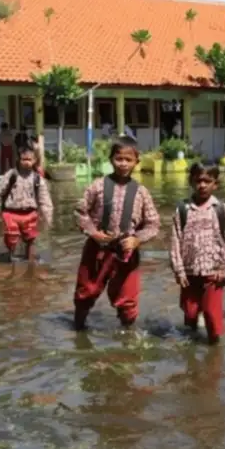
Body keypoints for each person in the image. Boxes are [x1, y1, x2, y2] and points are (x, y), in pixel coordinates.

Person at [73, 135, 161, 331]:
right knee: (86, 292)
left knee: (127, 299)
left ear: (136, 162)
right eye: (119, 158)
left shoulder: (141, 192)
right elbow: (80, 212)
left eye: (128, 159)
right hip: (97, 249)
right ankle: (78, 329)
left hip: (126, 253)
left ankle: (127, 337)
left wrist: (137, 239)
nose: (123, 164)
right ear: (111, 159)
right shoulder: (97, 186)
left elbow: (153, 224)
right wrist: (93, 232)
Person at [170, 163, 225, 344]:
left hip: (214, 272)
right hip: (189, 272)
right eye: (198, 181)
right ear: (191, 182)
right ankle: (192, 349)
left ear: (215, 184)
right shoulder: (183, 209)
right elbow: (175, 239)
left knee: (212, 316)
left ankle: (214, 351)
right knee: (190, 313)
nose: (202, 185)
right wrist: (178, 270)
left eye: (207, 181)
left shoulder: (220, 209)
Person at [0, 145, 53, 263]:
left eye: (29, 160)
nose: (27, 162)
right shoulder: (11, 175)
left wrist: (47, 218)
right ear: (19, 159)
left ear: (34, 160)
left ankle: (30, 262)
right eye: (24, 159)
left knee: (31, 238)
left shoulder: (37, 179)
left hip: (30, 213)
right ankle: (8, 261)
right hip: (11, 212)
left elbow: (45, 200)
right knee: (11, 237)